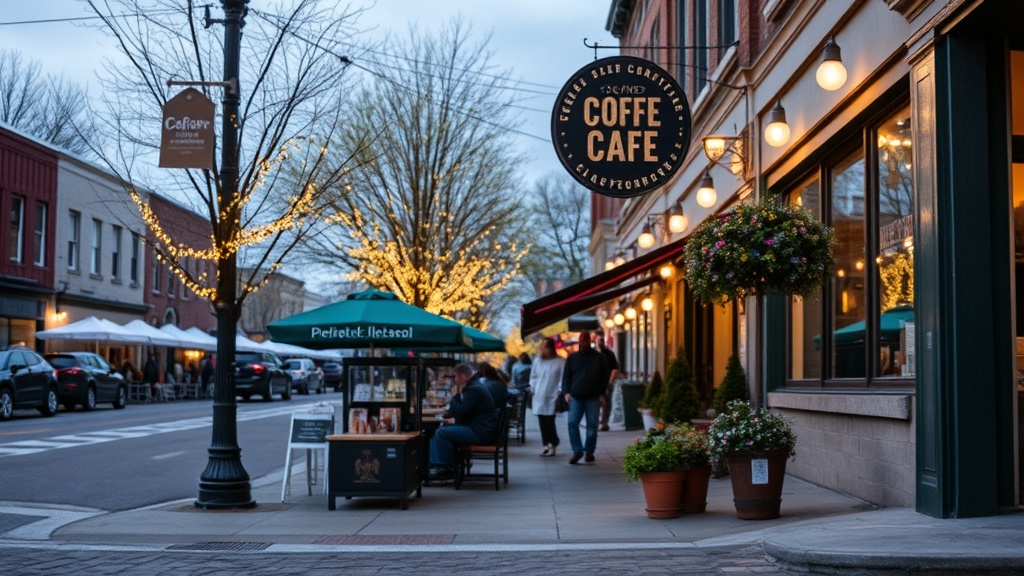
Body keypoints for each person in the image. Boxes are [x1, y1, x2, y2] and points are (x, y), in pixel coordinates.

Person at [429, 363, 498, 481]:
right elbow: (462, 414)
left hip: (479, 433)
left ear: (463, 376)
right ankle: (437, 466)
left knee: (441, 433)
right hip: (479, 429)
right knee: (438, 430)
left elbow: (460, 414)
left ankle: (446, 469)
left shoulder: (473, 389)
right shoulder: (474, 386)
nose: (454, 380)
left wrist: (454, 396)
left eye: (455, 377)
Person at [560, 331, 609, 465]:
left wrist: (601, 393)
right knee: (572, 423)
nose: (584, 343)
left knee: (592, 426)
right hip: (576, 396)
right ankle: (577, 451)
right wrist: (566, 392)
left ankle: (589, 452)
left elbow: (605, 377)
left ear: (590, 341)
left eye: (586, 341)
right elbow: (566, 376)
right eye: (582, 341)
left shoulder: (598, 358)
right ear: (579, 342)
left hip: (593, 397)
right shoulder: (572, 358)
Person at [530, 338, 565, 457]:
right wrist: (532, 387)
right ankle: (546, 444)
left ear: (551, 349)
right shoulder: (538, 361)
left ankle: (553, 443)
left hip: (552, 395)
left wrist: (559, 391)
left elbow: (562, 378)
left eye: (545, 347)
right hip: (539, 395)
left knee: (550, 421)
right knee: (542, 421)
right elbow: (533, 376)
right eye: (542, 346)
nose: (542, 349)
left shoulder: (560, 362)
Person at [594, 331, 620, 432]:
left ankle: (604, 422)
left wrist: (611, 380)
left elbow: (615, 368)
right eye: (598, 340)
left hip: (606, 382)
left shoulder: (609, 354)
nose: (600, 342)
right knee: (594, 403)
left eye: (601, 340)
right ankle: (594, 422)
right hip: (594, 383)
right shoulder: (592, 354)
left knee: (606, 402)